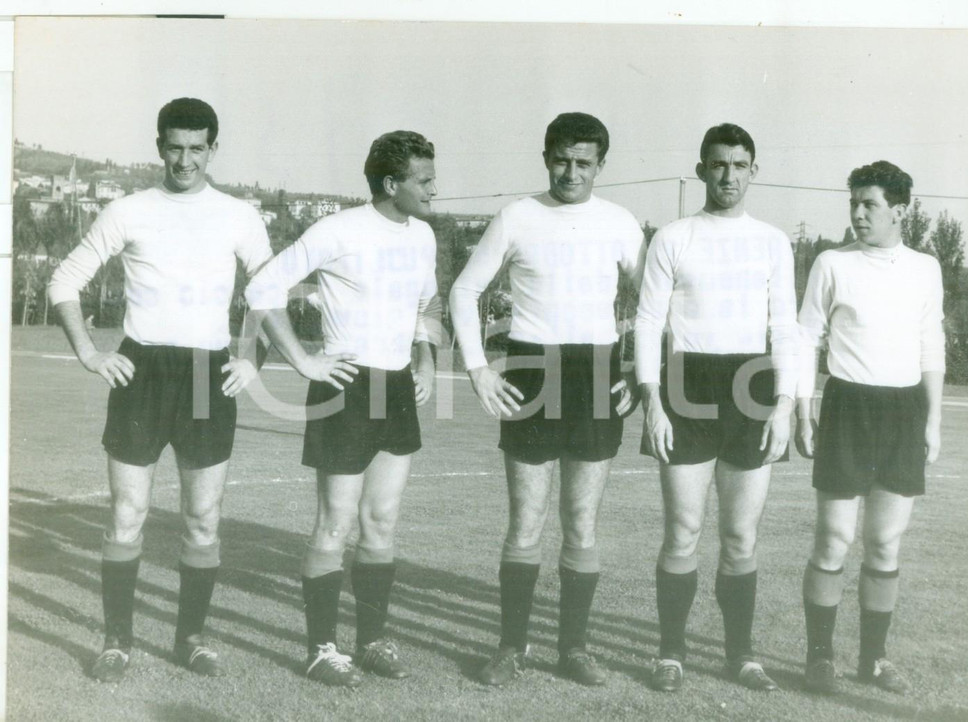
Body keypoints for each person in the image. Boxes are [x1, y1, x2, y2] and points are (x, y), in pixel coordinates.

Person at [47, 98, 274, 682]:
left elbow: (272, 293)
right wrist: (90, 353)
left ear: (213, 150)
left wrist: (254, 361)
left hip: (207, 375)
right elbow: (64, 279)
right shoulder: (127, 210)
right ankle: (117, 640)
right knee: (128, 512)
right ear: (159, 147)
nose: (185, 159)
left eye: (197, 148)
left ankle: (191, 637)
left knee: (203, 517)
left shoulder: (240, 216)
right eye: (175, 146)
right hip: (141, 371)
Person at [450, 112, 646, 687]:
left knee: (581, 522)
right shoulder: (517, 216)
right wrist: (478, 369)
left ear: (600, 165)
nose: (571, 172)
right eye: (561, 159)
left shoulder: (619, 222)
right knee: (526, 522)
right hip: (533, 370)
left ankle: (574, 648)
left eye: (584, 162)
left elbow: (656, 302)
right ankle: (512, 647)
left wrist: (639, 372)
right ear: (546, 157)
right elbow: (464, 290)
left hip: (599, 371)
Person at [244, 130, 441, 688]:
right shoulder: (338, 230)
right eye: (424, 180)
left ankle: (372, 640)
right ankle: (321, 648)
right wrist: (305, 361)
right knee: (335, 521)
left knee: (381, 522)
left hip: (397, 387)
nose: (434, 188)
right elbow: (262, 288)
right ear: (390, 183)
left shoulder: (423, 236)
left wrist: (425, 358)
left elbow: (426, 301)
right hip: (345, 387)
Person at [633, 123, 797, 692]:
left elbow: (786, 327)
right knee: (682, 529)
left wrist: (784, 404)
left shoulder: (773, 241)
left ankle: (741, 655)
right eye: (718, 164)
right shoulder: (674, 237)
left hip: (752, 381)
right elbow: (649, 322)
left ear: (754, 169)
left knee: (740, 536)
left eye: (740, 164)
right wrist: (652, 400)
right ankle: (671, 653)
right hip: (686, 382)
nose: (729, 175)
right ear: (701, 168)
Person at [796, 161, 944, 696]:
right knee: (833, 538)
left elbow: (932, 345)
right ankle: (819, 657)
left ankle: (873, 660)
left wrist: (935, 420)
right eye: (853, 203)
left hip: (904, 413)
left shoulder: (925, 268)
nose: (858, 214)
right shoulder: (832, 263)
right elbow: (805, 335)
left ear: (899, 211)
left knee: (884, 544)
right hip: (847, 407)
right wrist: (801, 405)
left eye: (870, 205)